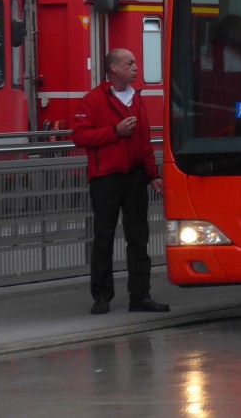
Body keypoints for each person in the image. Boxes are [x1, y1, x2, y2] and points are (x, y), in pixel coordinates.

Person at [73, 48, 170, 315]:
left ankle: (140, 295)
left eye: (135, 63)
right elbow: (80, 136)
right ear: (113, 68)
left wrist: (153, 175)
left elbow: (145, 142)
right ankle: (101, 296)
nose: (136, 67)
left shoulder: (137, 100)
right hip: (106, 178)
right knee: (103, 237)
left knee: (138, 237)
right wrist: (114, 132)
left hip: (135, 177)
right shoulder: (93, 100)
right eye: (130, 63)